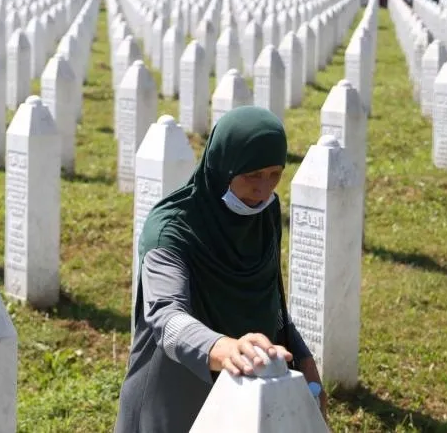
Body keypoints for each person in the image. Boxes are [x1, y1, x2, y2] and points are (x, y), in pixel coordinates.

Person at [114, 106, 326, 433]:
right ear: (222, 167)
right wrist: (223, 348)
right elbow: (166, 316)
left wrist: (302, 357)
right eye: (252, 175)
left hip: (246, 388)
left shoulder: (264, 213)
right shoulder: (171, 230)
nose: (263, 189)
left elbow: (270, 296)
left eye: (274, 174)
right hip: (174, 393)